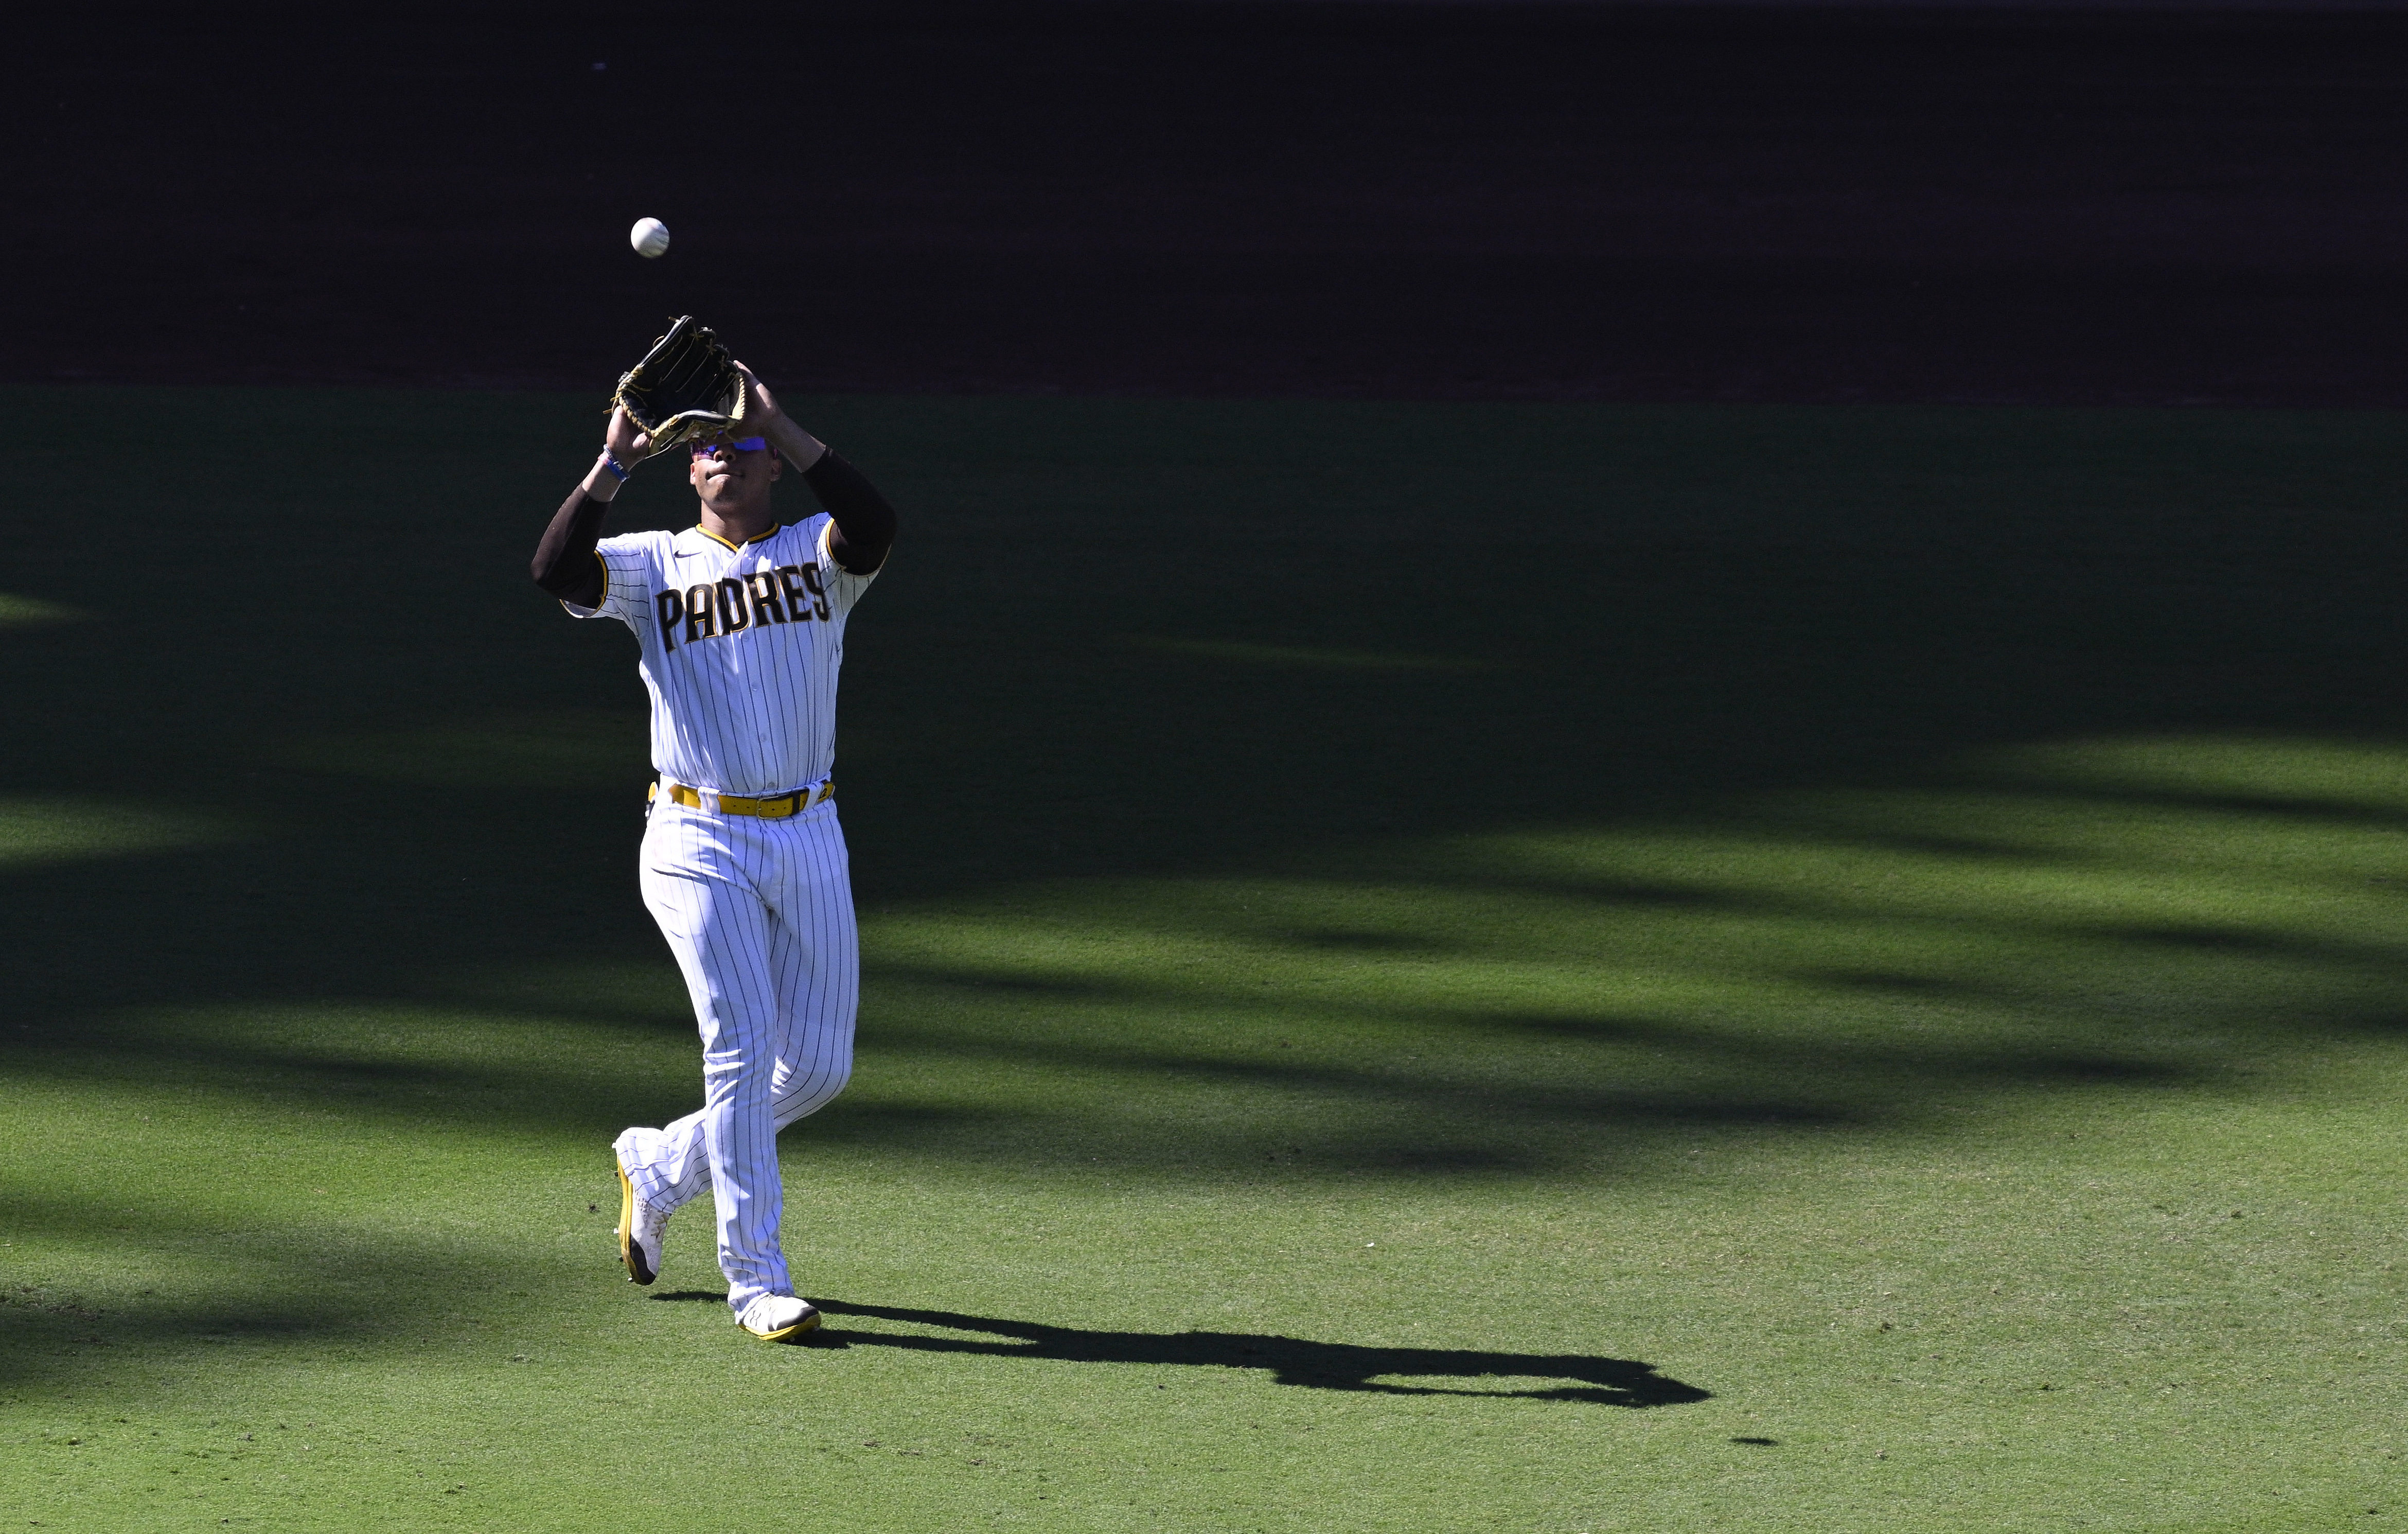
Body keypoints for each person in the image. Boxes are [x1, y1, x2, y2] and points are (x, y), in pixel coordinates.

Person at [530, 362, 896, 1342]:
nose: (716, 460)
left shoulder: (821, 554)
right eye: (701, 452)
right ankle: (756, 1280)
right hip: (696, 835)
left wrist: (791, 425)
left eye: (735, 447)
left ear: (772, 467)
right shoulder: (653, 563)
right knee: (738, 1044)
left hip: (810, 828)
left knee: (816, 1068)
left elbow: (877, 524)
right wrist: (611, 464)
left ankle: (659, 1167)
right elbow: (556, 572)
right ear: (686, 476)